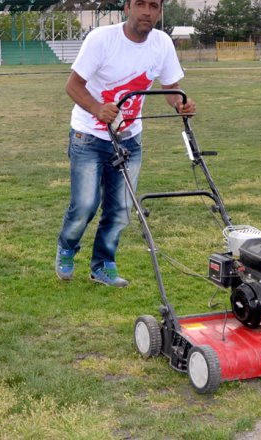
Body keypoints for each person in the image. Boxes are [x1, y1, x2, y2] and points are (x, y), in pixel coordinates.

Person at [55, 0, 197, 287]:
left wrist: (180, 103)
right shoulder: (102, 40)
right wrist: (97, 108)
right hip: (89, 136)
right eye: (140, 4)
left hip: (130, 139)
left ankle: (103, 265)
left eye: (154, 6)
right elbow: (73, 85)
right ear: (126, 8)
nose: (147, 11)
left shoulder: (162, 43)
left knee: (120, 208)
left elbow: (170, 88)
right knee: (84, 204)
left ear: (160, 12)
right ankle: (67, 247)